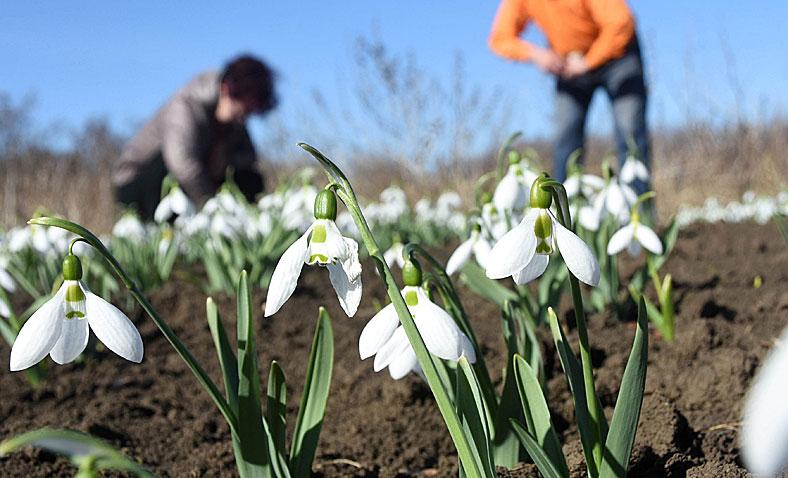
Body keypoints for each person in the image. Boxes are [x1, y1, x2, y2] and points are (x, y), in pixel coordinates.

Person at [488, 0, 650, 195]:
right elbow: (500, 38)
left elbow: (621, 22)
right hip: (568, 65)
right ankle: (565, 212)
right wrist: (536, 54)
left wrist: (587, 62)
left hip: (618, 56)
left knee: (629, 129)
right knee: (565, 135)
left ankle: (639, 211)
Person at [113, 54, 277, 219]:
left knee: (249, 178)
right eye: (243, 110)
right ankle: (158, 227)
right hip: (137, 182)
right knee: (175, 165)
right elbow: (182, 164)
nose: (243, 118)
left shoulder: (235, 124)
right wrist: (212, 209)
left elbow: (249, 161)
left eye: (250, 113)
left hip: (190, 183)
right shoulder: (186, 105)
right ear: (227, 88)